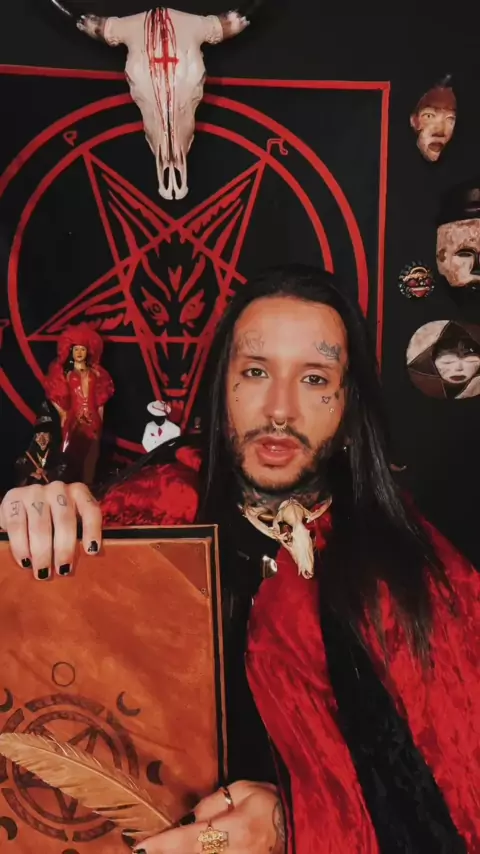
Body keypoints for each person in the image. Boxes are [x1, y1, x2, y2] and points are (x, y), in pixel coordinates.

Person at [1, 265, 479, 853]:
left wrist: (292, 827)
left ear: (349, 407)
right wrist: (31, 549)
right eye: (255, 372)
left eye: (314, 378)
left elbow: (442, 804)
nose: (279, 409)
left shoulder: (416, 572)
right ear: (220, 388)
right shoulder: (141, 524)